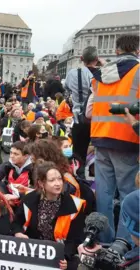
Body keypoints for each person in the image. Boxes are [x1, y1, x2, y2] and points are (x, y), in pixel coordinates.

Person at [88, 35, 139, 249]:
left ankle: (102, 238)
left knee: (104, 192)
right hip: (127, 138)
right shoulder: (137, 71)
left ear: (116, 51)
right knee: (129, 194)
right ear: (136, 50)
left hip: (101, 137)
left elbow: (92, 106)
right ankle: (124, 243)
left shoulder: (101, 74)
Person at [12, 161, 85, 270]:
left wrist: (64, 257)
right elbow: (16, 222)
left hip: (60, 255)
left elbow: (75, 239)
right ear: (41, 183)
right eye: (52, 180)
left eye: (60, 179)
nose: (58, 183)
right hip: (33, 252)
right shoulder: (28, 199)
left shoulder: (75, 205)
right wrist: (18, 233)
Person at [26, 139, 95, 215]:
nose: (32, 163)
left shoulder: (64, 181)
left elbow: (54, 203)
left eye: (34, 159)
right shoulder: (57, 174)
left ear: (43, 158)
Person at [64, 46, 99, 161]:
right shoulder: (103, 74)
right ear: (97, 59)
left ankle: (79, 176)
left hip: (79, 119)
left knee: (78, 156)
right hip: (99, 120)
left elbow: (67, 88)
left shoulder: (73, 73)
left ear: (81, 58)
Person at [0, 141, 34, 206]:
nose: (11, 156)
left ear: (26, 156)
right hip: (10, 197)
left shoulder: (33, 169)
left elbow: (37, 191)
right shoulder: (8, 164)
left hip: (26, 200)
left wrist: (20, 197)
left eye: (16, 154)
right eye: (11, 153)